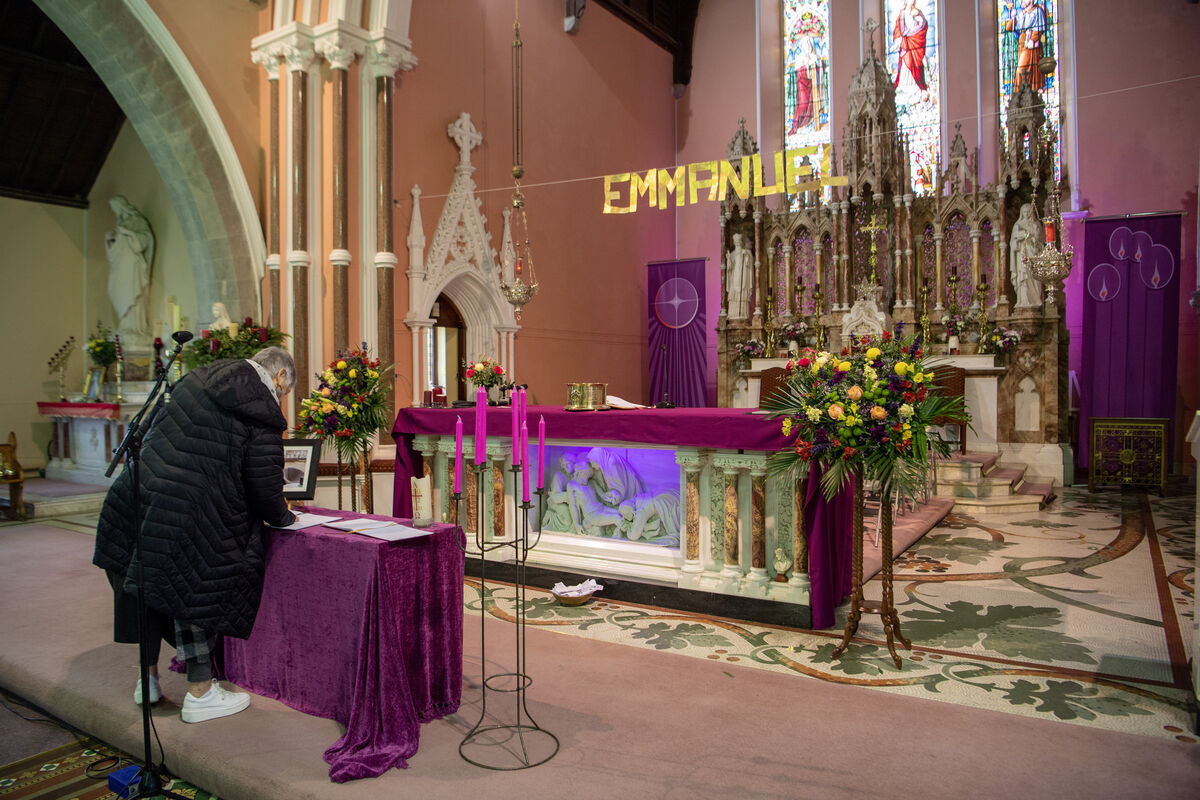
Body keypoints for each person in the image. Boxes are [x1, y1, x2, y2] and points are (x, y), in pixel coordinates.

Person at [93, 347, 297, 723]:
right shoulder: (263, 409)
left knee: (145, 582)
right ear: (280, 377)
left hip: (137, 492)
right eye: (283, 393)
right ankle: (201, 694)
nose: (280, 398)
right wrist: (284, 518)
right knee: (197, 581)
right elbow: (264, 484)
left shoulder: (197, 377)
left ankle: (147, 680)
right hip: (190, 506)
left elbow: (156, 429)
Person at [105, 196, 155, 343]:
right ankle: (125, 325)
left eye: (115, 208)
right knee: (116, 290)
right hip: (121, 266)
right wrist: (110, 240)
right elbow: (113, 253)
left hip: (133, 266)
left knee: (132, 292)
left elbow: (143, 241)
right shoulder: (120, 224)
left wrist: (128, 233)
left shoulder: (137, 221)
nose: (115, 212)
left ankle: (134, 327)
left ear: (122, 207)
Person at [1004, 0, 1047, 91]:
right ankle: (1023, 92)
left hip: (1031, 44)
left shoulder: (1037, 11)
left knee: (1022, 69)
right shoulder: (1021, 14)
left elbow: (1040, 28)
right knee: (1024, 70)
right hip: (1022, 44)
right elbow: (1008, 28)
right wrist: (1013, 17)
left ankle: (1020, 91)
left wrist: (1033, 39)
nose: (1021, 1)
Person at [892, 0, 930, 102]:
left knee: (917, 65)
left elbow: (923, 25)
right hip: (905, 44)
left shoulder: (917, 12)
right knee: (906, 64)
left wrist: (912, 32)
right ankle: (903, 88)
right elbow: (900, 30)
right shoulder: (902, 13)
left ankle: (919, 88)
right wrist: (899, 40)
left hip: (916, 43)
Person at [1010, 202, 1044, 308]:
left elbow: (1041, 242)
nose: (1026, 214)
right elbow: (1012, 244)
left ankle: (1036, 300)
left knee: (1034, 277)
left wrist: (1033, 239)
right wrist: (1018, 239)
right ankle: (1023, 301)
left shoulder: (1036, 224)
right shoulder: (1017, 225)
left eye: (1028, 212)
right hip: (1021, 255)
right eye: (1024, 212)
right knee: (1023, 278)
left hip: (1033, 254)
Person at [726, 233, 754, 320]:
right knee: (734, 295)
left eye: (739, 241)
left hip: (743, 278)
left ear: (741, 242)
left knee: (742, 294)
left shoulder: (746, 252)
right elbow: (729, 268)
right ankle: (733, 314)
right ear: (734, 242)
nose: (737, 243)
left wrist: (746, 256)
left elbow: (749, 265)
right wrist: (728, 260)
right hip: (734, 278)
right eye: (736, 241)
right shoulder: (732, 254)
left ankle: (743, 314)